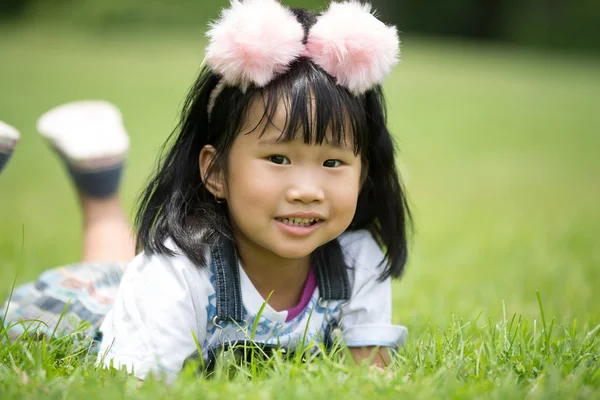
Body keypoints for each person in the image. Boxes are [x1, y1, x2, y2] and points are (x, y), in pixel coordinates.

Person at [2, 0, 412, 383]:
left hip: (135, 281)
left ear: (363, 174)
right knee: (109, 277)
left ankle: (98, 176)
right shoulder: (178, 272)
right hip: (91, 308)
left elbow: (371, 378)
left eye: (332, 163)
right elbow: (134, 383)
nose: (307, 191)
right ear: (216, 172)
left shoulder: (358, 261)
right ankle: (99, 183)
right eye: (279, 159)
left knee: (121, 266)